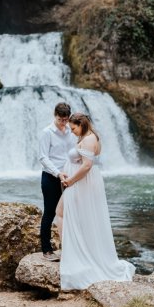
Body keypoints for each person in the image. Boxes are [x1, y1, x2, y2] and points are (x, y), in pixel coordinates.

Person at [55, 112, 135, 290]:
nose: (72, 131)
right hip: (82, 182)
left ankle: (70, 252)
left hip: (81, 182)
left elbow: (86, 166)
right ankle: (72, 250)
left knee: (61, 213)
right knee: (70, 215)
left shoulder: (89, 139)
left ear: (81, 124)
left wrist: (71, 181)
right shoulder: (88, 136)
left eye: (73, 127)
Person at [38, 102, 76, 262]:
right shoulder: (47, 132)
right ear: (55, 116)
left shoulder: (71, 131)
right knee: (50, 212)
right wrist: (58, 173)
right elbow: (42, 157)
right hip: (51, 177)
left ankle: (69, 248)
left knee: (71, 212)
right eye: (61, 119)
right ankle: (46, 249)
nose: (63, 123)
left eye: (66, 120)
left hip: (69, 177)